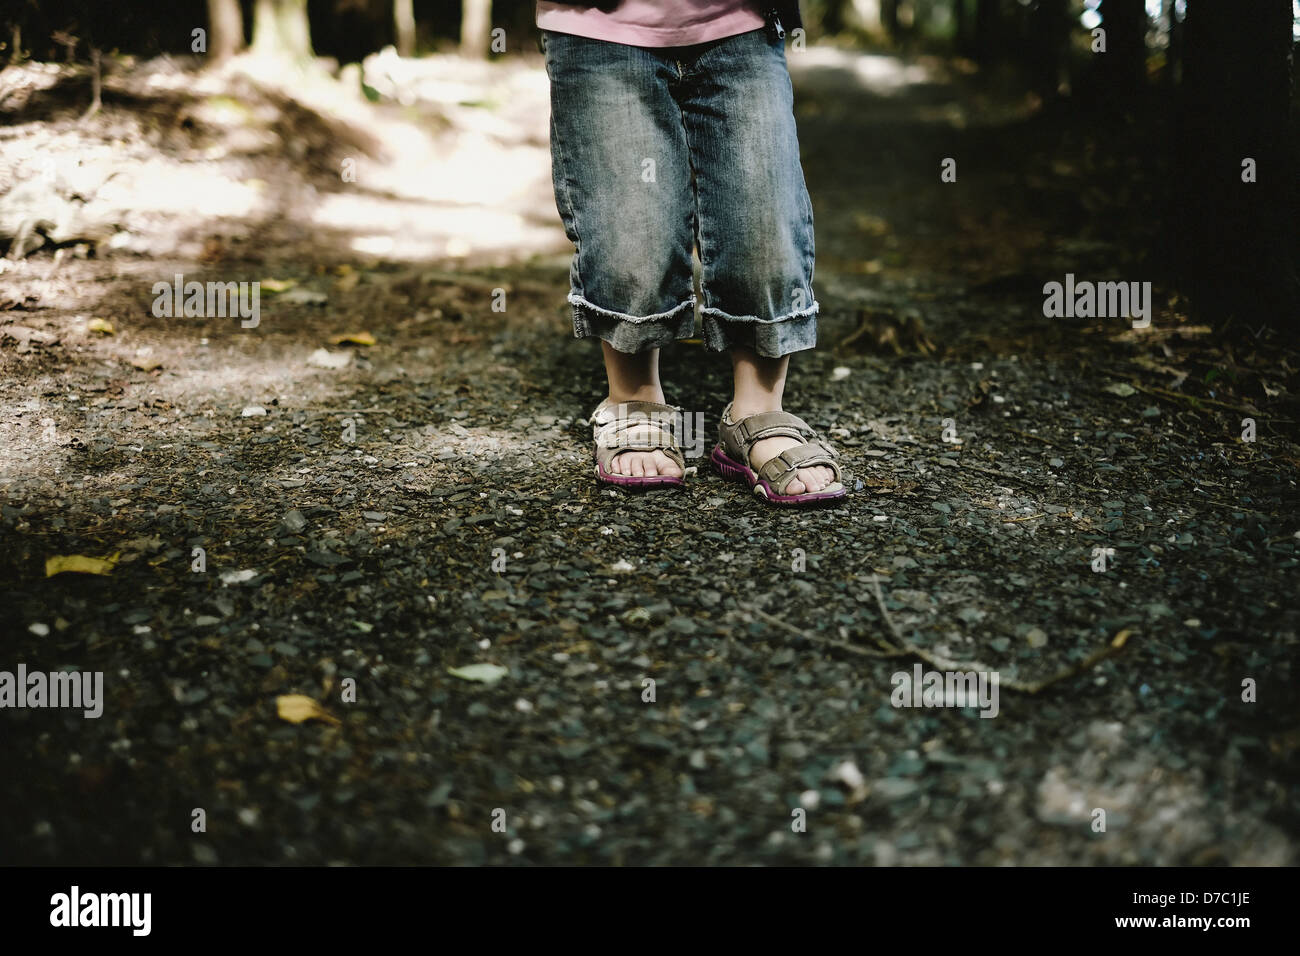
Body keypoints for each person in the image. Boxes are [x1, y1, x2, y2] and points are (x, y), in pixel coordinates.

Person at [538, 0, 846, 505]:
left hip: (740, 21)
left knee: (764, 220)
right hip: (598, 26)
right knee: (630, 228)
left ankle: (758, 410)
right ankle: (634, 401)